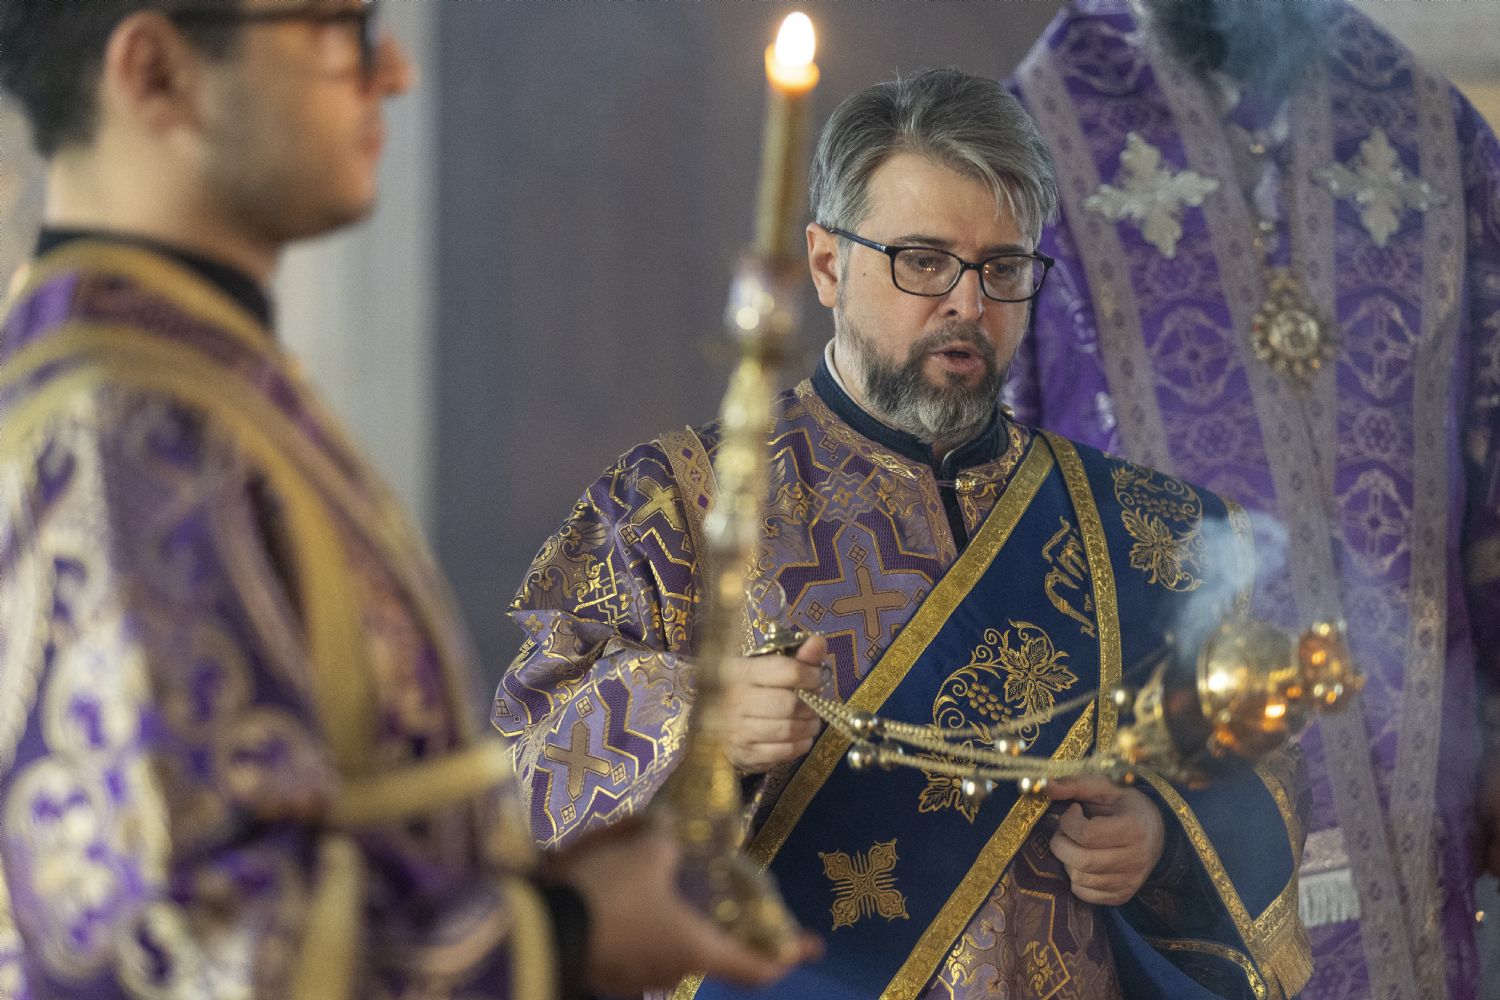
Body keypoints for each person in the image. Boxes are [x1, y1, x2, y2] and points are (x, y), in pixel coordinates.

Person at [0, 3, 816, 998]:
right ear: (156, 72)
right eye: (338, 28)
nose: (393, 71)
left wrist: (560, 890)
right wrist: (570, 931)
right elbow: (190, 938)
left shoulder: (198, 383)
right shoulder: (128, 423)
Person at [498, 67, 1310, 1000]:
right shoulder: (672, 505)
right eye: (923, 261)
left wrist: (1159, 838)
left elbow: (1260, 767)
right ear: (827, 265)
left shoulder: (1148, 534)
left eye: (1003, 269)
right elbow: (528, 768)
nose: (968, 304)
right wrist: (699, 720)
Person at [1004, 2, 1500, 998]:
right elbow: (999, 485)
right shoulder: (1039, 133)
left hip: (1417, 795)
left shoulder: (1429, 124)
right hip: (1156, 813)